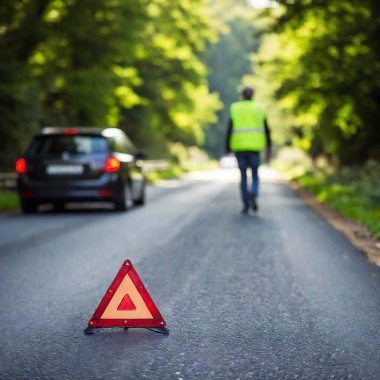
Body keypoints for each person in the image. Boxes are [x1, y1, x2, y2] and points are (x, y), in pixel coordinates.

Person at [225, 86, 272, 215]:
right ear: (253, 95)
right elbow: (267, 129)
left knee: (243, 176)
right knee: (255, 174)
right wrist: (269, 146)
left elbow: (229, 128)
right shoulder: (259, 108)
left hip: (239, 148)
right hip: (255, 147)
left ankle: (246, 205)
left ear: (242, 95)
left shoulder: (235, 108)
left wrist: (227, 146)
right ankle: (253, 192)